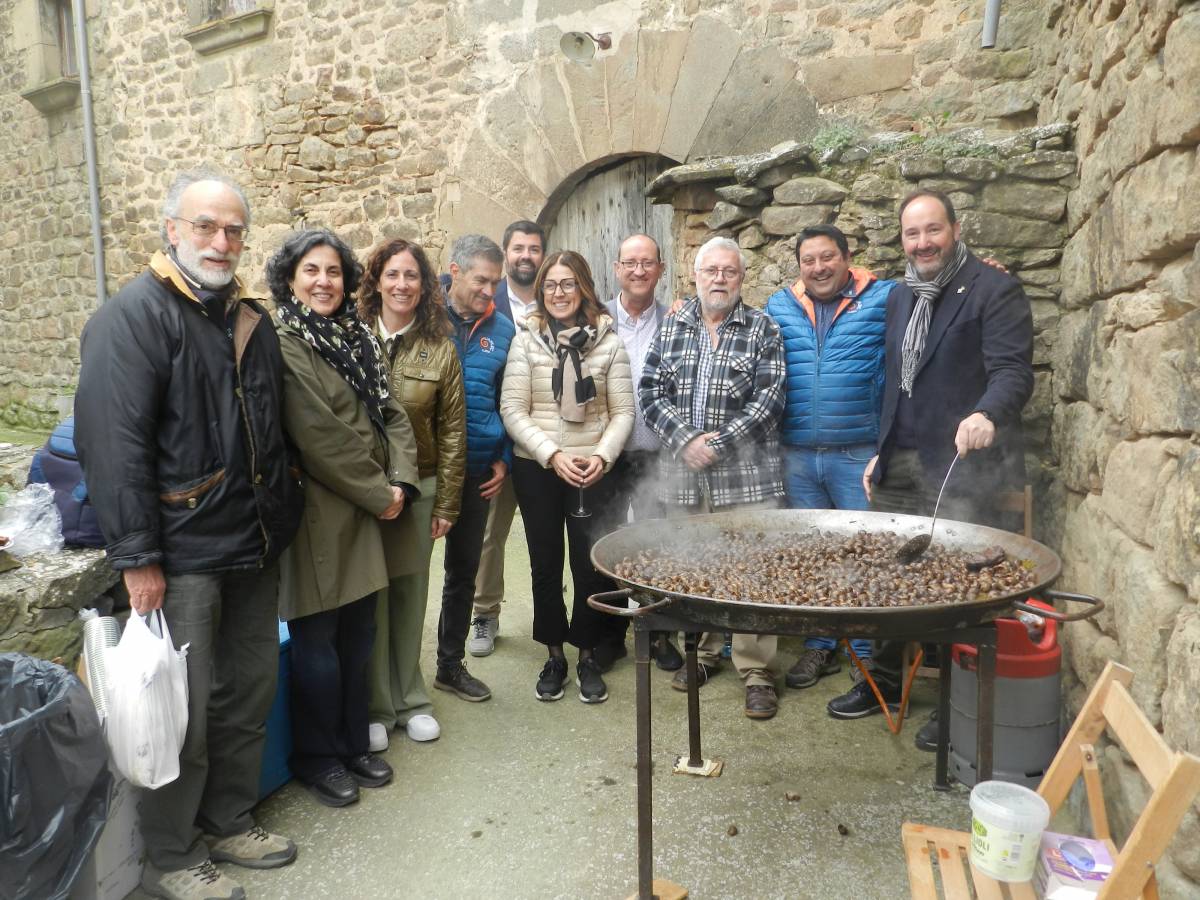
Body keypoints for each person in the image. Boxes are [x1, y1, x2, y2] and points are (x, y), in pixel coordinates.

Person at [75, 171, 302, 900]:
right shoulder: (132, 319)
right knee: (183, 712)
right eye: (206, 226)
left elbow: (271, 431)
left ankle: (231, 818)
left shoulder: (246, 317)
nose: (221, 242)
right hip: (182, 554)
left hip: (251, 546)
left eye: (234, 229)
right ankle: (173, 855)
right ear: (172, 229)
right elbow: (113, 448)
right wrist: (138, 558)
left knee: (248, 693)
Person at [826, 189, 1034, 740]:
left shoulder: (994, 288)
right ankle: (888, 680)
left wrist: (989, 412)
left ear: (956, 229)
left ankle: (953, 701)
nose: (923, 242)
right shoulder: (899, 296)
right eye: (912, 234)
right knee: (892, 576)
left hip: (961, 466)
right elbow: (895, 383)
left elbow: (1014, 370)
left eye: (932, 230)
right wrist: (882, 449)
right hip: (903, 460)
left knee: (957, 590)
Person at [268, 229, 419, 807]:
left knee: (360, 637)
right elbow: (317, 434)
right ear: (290, 279)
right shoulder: (284, 342)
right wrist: (380, 490)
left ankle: (355, 742)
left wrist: (402, 479)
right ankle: (318, 756)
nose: (324, 282)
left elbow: (392, 412)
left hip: (371, 507)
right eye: (312, 271)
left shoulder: (354, 337)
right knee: (318, 646)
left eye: (333, 272)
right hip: (321, 514)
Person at [640, 236, 787, 719]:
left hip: (746, 479)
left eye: (729, 271)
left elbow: (769, 401)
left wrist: (717, 443)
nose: (719, 279)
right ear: (695, 276)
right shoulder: (672, 327)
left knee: (751, 574)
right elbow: (649, 393)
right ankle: (700, 655)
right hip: (684, 478)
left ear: (741, 278)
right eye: (711, 271)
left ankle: (757, 671)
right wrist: (686, 441)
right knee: (697, 569)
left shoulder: (763, 328)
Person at [500, 250, 634, 703]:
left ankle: (588, 654)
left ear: (584, 288)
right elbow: (513, 410)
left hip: (592, 470)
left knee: (588, 565)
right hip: (538, 467)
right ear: (541, 291)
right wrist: (551, 454)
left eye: (568, 284)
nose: (559, 293)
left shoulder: (608, 342)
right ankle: (555, 653)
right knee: (545, 561)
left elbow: (622, 412)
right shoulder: (526, 340)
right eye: (551, 285)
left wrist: (602, 456)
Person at [765, 225, 890, 689]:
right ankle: (820, 646)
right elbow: (732, 323)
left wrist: (989, 272)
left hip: (857, 453)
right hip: (797, 454)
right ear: (799, 265)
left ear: (847, 258)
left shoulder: (883, 298)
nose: (818, 268)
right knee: (813, 556)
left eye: (827, 258)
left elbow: (938, 299)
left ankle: (864, 657)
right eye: (809, 260)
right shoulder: (779, 305)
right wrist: (685, 306)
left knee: (861, 555)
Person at [358, 239, 471, 755]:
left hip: (420, 487)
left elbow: (452, 431)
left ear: (425, 287)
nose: (402, 285)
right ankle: (376, 706)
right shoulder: (351, 339)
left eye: (412, 276)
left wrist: (446, 502)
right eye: (392, 275)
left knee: (409, 594)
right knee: (369, 597)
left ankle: (410, 699)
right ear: (376, 281)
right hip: (359, 491)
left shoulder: (440, 348)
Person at [595, 233, 682, 673]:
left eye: (648, 262)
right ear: (616, 269)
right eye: (630, 262)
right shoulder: (596, 319)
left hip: (657, 455)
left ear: (661, 270)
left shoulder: (677, 321)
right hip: (607, 455)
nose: (639, 271)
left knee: (656, 547)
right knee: (606, 545)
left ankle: (659, 633)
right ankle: (608, 636)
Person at [467, 220, 545, 657]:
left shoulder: (558, 299)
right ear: (506, 252)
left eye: (534, 248)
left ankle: (551, 616)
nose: (526, 256)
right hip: (497, 445)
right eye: (518, 248)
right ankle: (485, 613)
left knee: (546, 534)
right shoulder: (487, 303)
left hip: (543, 445)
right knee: (489, 535)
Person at [441, 235, 516, 687]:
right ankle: (392, 680)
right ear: (455, 271)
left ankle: (449, 667)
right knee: (406, 579)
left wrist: (504, 458)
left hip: (478, 472)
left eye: (495, 283)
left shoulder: (504, 330)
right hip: (427, 471)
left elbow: (511, 402)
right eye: (481, 281)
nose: (489, 292)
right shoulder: (425, 320)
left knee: (462, 574)